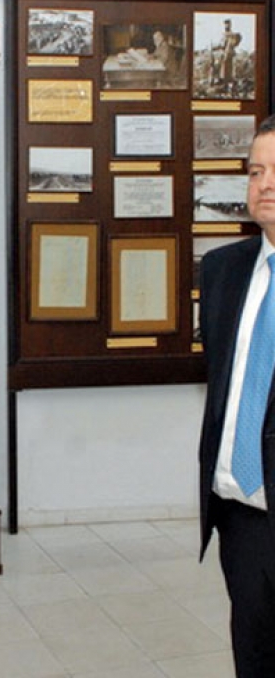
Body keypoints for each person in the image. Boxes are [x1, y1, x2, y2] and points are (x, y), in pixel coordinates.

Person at [199, 113, 275, 677]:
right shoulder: (222, 270)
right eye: (255, 171)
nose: (265, 184)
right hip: (242, 516)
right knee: (253, 659)